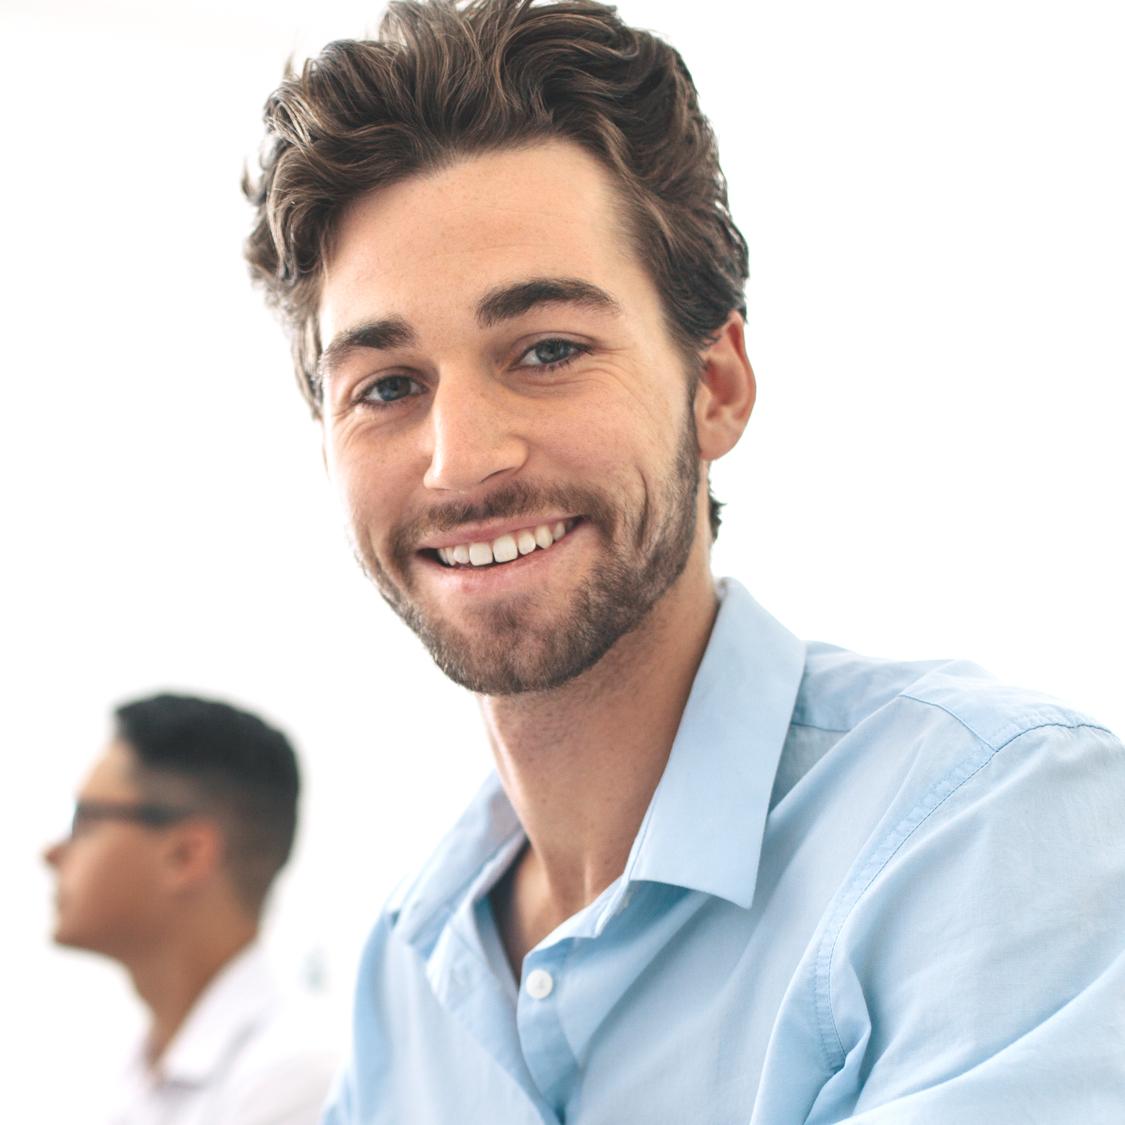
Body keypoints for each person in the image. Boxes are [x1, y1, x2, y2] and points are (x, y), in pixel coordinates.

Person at [243, 1, 1125, 1120]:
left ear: (716, 386)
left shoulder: (991, 827)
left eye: (548, 350)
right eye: (385, 386)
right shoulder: (402, 973)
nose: (459, 461)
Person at [43, 693, 338, 1125]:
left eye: (84, 821)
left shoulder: (298, 1079)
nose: (50, 853)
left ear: (185, 855)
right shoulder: (127, 1073)